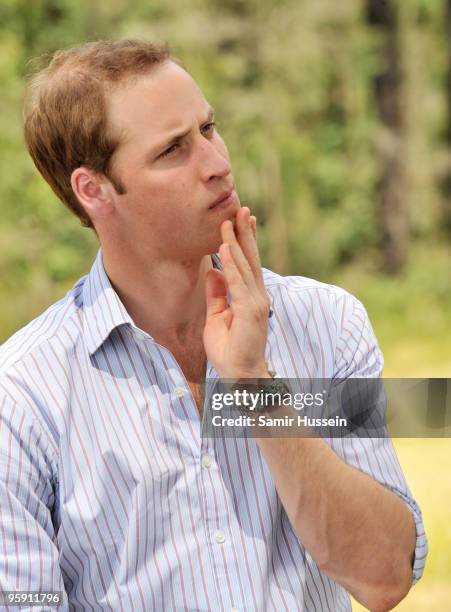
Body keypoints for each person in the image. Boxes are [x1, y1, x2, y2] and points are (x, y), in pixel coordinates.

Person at [0, 39, 427, 611]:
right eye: (173, 149)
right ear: (93, 190)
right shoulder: (22, 396)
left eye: (208, 128)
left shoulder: (328, 325)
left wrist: (254, 384)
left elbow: (383, 577)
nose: (218, 163)